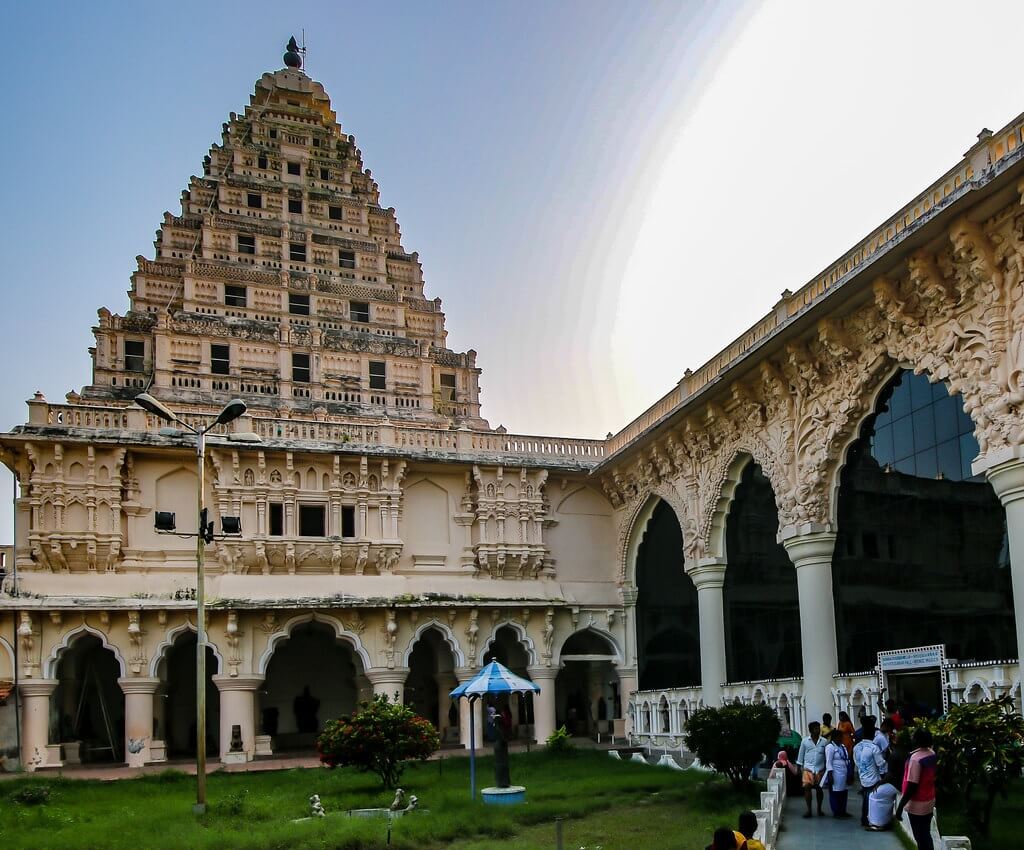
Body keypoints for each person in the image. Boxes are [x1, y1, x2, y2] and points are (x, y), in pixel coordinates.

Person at [896, 728, 938, 850]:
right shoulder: (931, 753)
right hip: (929, 800)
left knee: (920, 837)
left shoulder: (915, 759)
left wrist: (900, 807)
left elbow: (912, 785)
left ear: (917, 740)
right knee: (926, 834)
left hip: (917, 804)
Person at [853, 717, 888, 827]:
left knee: (865, 797)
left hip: (863, 775)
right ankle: (868, 819)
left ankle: (864, 818)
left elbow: (856, 761)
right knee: (870, 799)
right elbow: (881, 763)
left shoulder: (856, 747)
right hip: (873, 776)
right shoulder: (874, 748)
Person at [796, 721, 827, 818]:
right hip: (808, 769)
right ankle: (809, 810)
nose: (818, 730)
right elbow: (801, 755)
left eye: (818, 728)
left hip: (820, 768)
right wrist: (798, 768)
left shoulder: (824, 741)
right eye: (815, 728)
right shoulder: (805, 741)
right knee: (807, 788)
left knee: (819, 789)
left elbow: (826, 756)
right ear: (811, 730)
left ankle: (819, 809)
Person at [822, 728, 852, 818]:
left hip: (844, 771)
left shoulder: (842, 746)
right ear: (834, 737)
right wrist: (830, 775)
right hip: (835, 772)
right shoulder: (830, 747)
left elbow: (846, 758)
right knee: (836, 792)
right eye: (839, 737)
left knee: (843, 791)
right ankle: (836, 811)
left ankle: (843, 810)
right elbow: (828, 762)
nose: (841, 738)